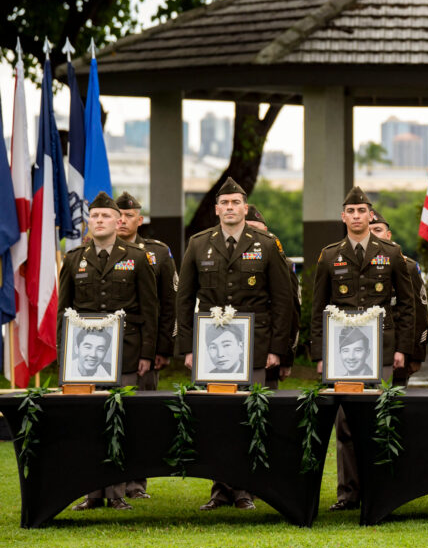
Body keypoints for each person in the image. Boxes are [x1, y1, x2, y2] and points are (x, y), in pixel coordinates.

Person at [176, 177, 294, 512]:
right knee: (216, 420)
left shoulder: (267, 244)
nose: (229, 208)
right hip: (211, 348)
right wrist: (188, 347)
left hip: (254, 345)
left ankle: (245, 489)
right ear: (216, 210)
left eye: (235, 203)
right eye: (224, 203)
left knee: (249, 418)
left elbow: (282, 301)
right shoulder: (198, 244)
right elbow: (184, 300)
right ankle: (219, 489)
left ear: (244, 208)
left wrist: (277, 348)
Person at [310, 186, 415, 512]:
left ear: (371, 216)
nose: (357, 217)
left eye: (362, 211)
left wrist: (402, 348)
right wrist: (320, 355)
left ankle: (381, 491)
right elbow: (318, 308)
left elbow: (407, 306)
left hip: (382, 350)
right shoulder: (329, 255)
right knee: (345, 424)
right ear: (344, 217)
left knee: (380, 419)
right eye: (351, 211)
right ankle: (348, 493)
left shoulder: (391, 253)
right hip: (343, 355)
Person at [59, 191, 158, 512]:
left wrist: (147, 353)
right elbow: (64, 311)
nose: (99, 221)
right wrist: (64, 358)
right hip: (84, 357)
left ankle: (116, 492)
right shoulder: (74, 259)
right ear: (89, 221)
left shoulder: (137, 257)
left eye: (105, 216)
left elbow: (150, 309)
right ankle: (92, 492)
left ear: (119, 221)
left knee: (120, 421)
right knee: (90, 423)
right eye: (95, 216)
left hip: (125, 353)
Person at [116, 190, 179, 501]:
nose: (123, 220)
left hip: (144, 348)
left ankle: (136, 484)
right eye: (119, 215)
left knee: (140, 417)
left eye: (129, 216)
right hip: (104, 349)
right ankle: (102, 485)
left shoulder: (158, 252)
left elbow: (169, 304)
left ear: (139, 220)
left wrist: (162, 349)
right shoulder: (91, 251)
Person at [368, 210, 428, 385]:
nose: (373, 235)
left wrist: (416, 355)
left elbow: (420, 314)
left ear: (388, 235)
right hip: (361, 351)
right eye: (369, 230)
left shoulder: (407, 267)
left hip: (397, 352)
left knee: (394, 405)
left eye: (377, 230)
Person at [244, 205, 299, 390]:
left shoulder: (283, 263)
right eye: (246, 228)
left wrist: (286, 357)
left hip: (267, 349)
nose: (251, 234)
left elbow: (291, 311)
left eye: (255, 229)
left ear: (266, 232)